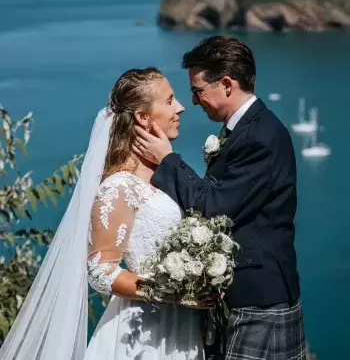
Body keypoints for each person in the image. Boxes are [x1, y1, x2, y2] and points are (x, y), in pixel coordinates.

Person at [0, 67, 207, 360]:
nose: (181, 107)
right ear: (143, 117)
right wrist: (173, 293)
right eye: (170, 100)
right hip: (141, 334)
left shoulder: (168, 174)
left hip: (184, 328)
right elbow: (101, 270)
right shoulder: (119, 186)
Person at [133, 36, 306, 360]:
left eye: (197, 90)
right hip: (242, 296)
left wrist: (166, 160)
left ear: (227, 84)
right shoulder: (241, 132)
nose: (193, 102)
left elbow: (214, 208)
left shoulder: (260, 138)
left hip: (260, 299)